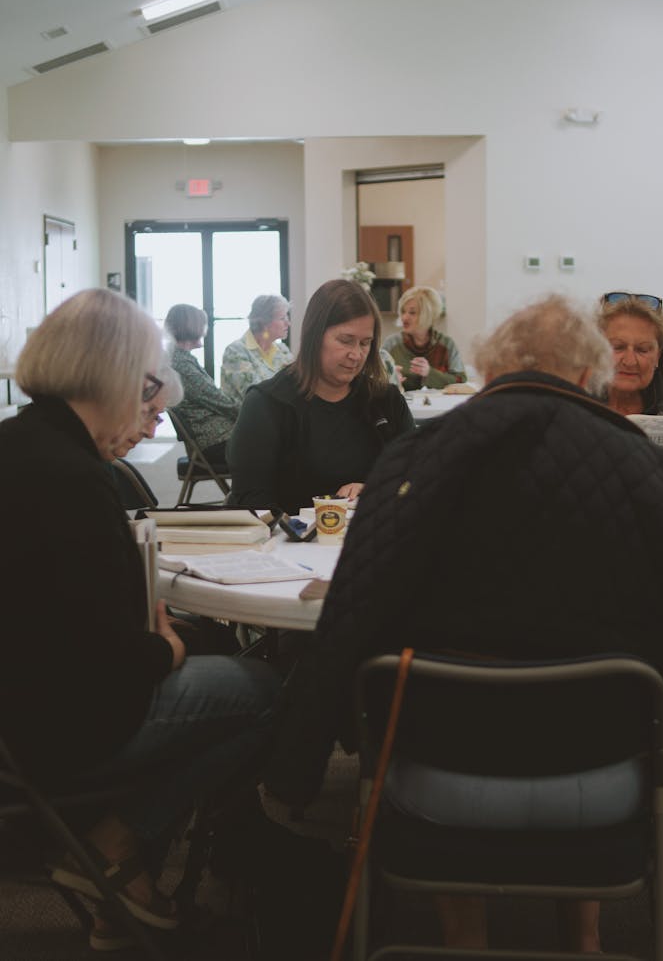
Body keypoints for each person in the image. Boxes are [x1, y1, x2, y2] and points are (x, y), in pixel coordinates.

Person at [264, 293, 663, 953]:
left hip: (442, 768)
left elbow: (353, 616)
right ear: (590, 375)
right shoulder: (656, 471)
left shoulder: (415, 460)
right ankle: (584, 940)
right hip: (604, 771)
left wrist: (294, 769)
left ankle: (464, 940)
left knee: (435, 686)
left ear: (491, 370)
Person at [0, 289, 280, 947]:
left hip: (18, 711)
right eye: (151, 395)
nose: (151, 418)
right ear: (125, 375)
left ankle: (120, 879)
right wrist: (167, 653)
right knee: (270, 693)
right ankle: (113, 844)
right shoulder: (74, 479)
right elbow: (116, 662)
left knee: (213, 663)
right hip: (55, 725)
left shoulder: (16, 445)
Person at [226, 279, 414, 514]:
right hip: (288, 545)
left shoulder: (385, 401)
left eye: (365, 343)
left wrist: (374, 490)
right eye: (345, 341)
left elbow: (416, 476)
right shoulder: (266, 404)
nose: (356, 354)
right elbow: (251, 500)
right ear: (315, 336)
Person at [598, 290, 663, 469]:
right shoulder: (572, 406)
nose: (629, 361)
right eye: (618, 347)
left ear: (658, 356)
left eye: (642, 350)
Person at [164, 303, 238, 465]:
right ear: (192, 327)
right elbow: (222, 403)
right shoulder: (182, 365)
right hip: (214, 442)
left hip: (218, 437)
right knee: (279, 446)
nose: (206, 329)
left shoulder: (179, 358)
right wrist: (255, 412)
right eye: (203, 324)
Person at [382, 284, 467, 391]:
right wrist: (391, 379)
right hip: (402, 405)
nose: (404, 317)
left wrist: (429, 373)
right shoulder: (392, 343)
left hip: (440, 406)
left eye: (412, 312)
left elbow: (461, 380)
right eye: (403, 311)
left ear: (428, 314)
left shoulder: (446, 344)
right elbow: (374, 377)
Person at [220, 294, 293, 409]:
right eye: (282, 318)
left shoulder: (282, 350)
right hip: (247, 421)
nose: (288, 324)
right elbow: (255, 396)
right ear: (265, 322)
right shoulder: (235, 351)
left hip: (279, 417)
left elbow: (297, 386)